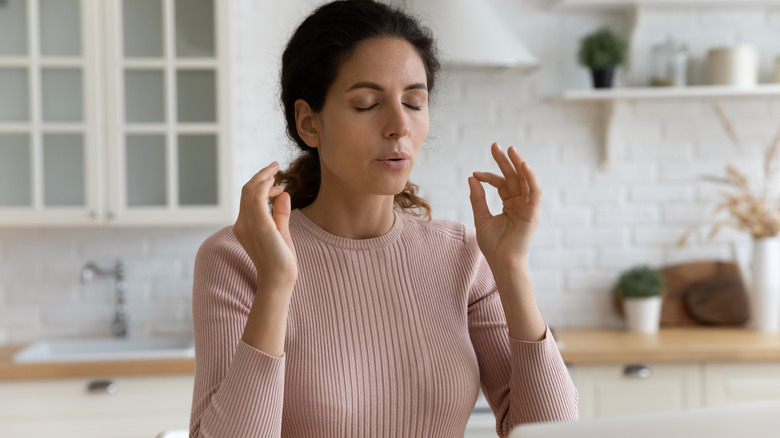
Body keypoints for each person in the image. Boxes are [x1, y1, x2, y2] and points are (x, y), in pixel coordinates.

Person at [188, 0, 578, 436]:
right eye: (367, 104)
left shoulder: (463, 257)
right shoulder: (237, 258)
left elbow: (552, 430)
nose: (399, 126)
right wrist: (277, 283)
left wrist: (511, 269)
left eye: (414, 102)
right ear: (309, 123)